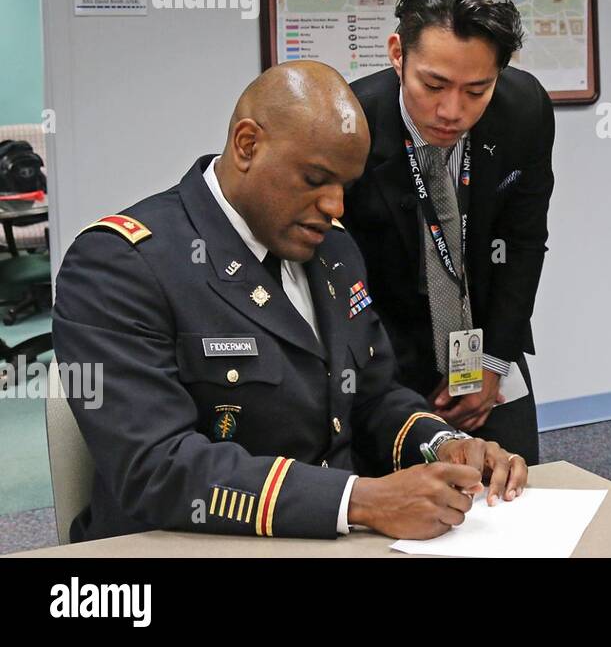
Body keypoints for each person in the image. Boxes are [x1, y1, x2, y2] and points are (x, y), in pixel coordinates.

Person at [51, 61, 526, 542]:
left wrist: (442, 443)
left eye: (345, 185)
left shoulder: (333, 249)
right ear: (247, 145)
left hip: (334, 537)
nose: (335, 206)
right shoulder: (121, 264)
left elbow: (373, 395)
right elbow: (157, 468)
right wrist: (359, 499)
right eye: (315, 178)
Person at [345, 0, 555, 465]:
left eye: (476, 90)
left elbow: (524, 243)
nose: (451, 111)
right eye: (433, 85)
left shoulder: (523, 110)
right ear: (398, 55)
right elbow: (333, 278)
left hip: (485, 350)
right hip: (382, 362)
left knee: (512, 503)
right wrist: (389, 393)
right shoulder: (351, 124)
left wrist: (492, 361)